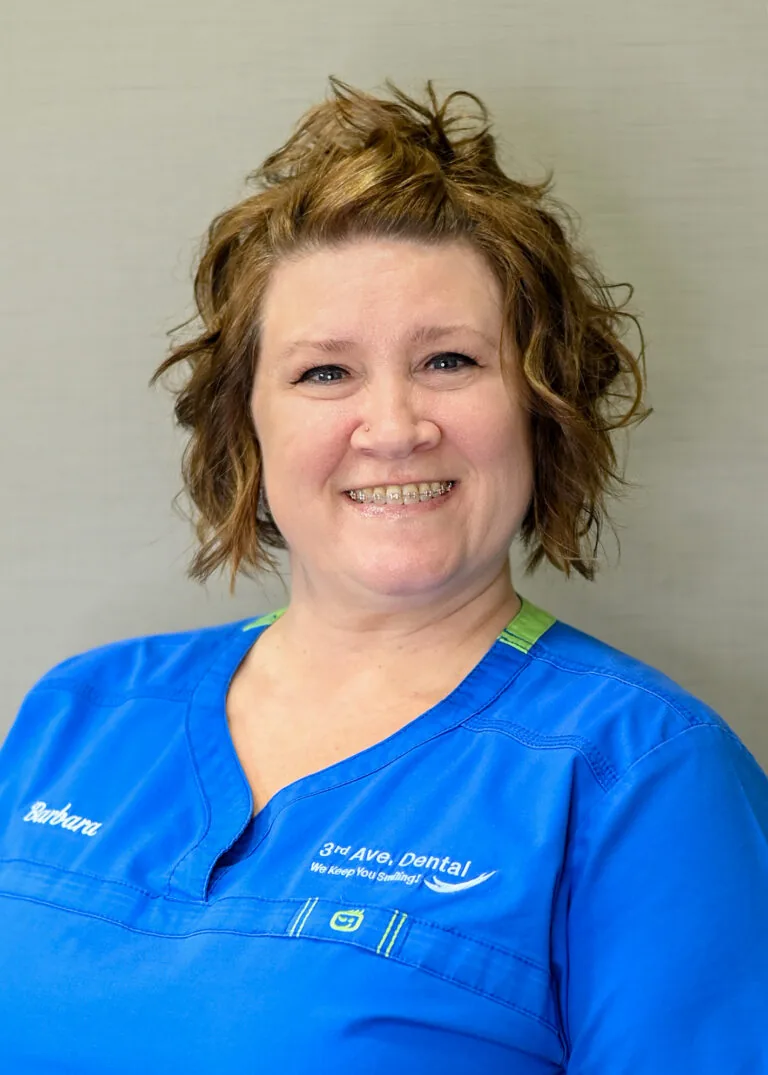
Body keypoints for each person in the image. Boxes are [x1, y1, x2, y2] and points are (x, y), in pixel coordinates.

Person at [0, 77, 766, 1074]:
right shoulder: (79, 713)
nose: (397, 427)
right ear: (246, 425)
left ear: (541, 406)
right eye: (325, 372)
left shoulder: (645, 777)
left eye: (450, 360)